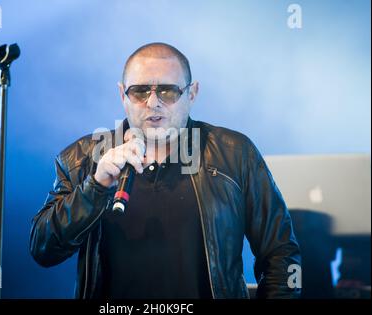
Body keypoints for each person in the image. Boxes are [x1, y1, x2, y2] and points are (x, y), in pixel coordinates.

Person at [29, 42, 301, 299]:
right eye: (140, 91)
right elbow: (43, 249)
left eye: (168, 91)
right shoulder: (82, 158)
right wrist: (96, 186)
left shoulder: (234, 153)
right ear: (122, 94)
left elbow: (281, 254)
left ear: (192, 93)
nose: (153, 103)